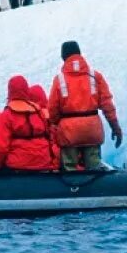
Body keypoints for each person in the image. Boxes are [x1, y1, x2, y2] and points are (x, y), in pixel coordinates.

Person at [47, 41, 122, 170]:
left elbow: (52, 109)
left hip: (69, 133)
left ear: (63, 57)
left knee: (69, 171)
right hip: (92, 130)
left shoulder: (59, 79)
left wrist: (56, 125)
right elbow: (107, 105)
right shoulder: (95, 76)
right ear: (80, 54)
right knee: (94, 170)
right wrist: (115, 127)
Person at [0, 75, 58, 171]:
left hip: (18, 165)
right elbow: (49, 137)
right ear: (26, 90)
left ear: (10, 91)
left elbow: (0, 147)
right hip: (43, 162)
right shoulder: (38, 111)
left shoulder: (6, 115)